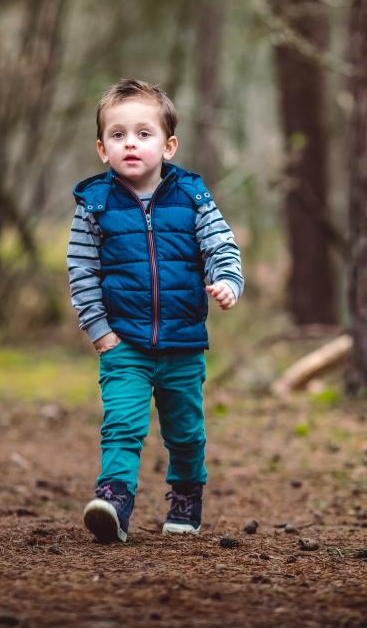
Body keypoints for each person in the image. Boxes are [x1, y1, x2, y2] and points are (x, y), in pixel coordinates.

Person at [67, 78, 243, 543]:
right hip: (123, 342)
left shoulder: (192, 197)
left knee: (185, 432)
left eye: (143, 134)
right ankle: (114, 500)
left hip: (183, 343)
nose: (130, 143)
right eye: (118, 135)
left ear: (168, 145)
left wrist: (227, 281)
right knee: (122, 424)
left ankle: (186, 495)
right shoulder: (94, 204)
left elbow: (221, 245)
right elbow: (81, 269)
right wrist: (100, 331)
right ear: (102, 149)